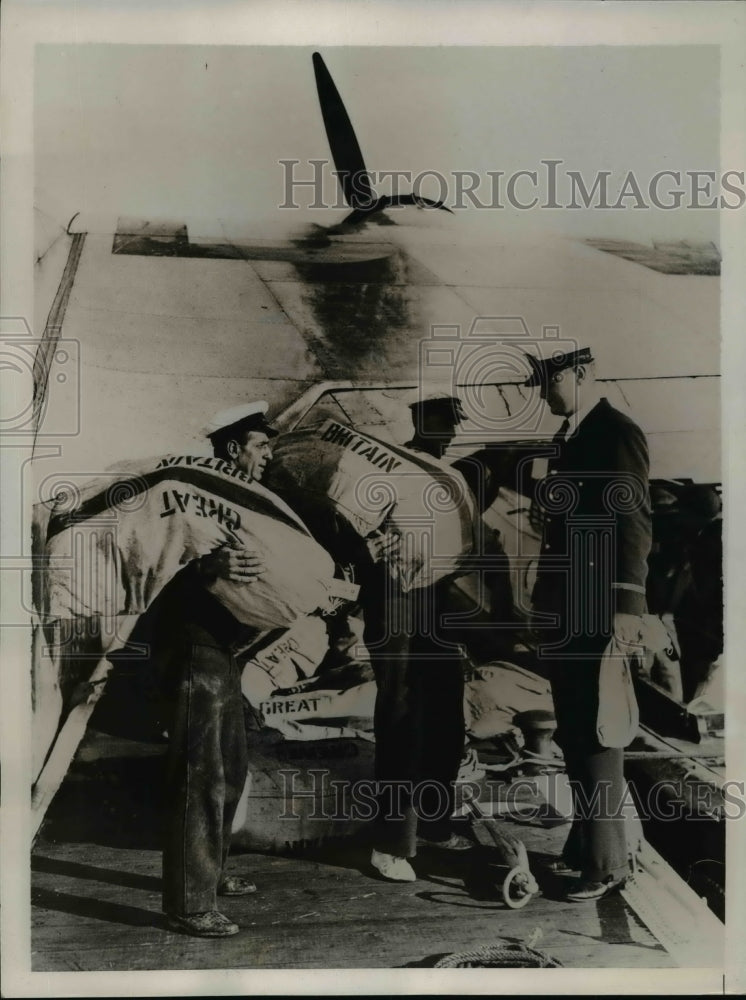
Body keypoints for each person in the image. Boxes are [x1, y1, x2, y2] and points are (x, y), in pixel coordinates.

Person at [142, 401, 278, 937]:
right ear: (232, 449)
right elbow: (155, 568)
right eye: (260, 445)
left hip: (225, 646)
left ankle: (212, 872)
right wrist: (204, 567)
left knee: (232, 766)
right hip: (192, 643)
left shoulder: (243, 504)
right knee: (201, 771)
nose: (269, 455)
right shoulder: (192, 501)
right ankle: (188, 902)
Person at [525, 347, 652, 902]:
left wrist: (627, 609)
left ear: (580, 373)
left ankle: (606, 865)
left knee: (598, 733)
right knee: (576, 731)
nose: (542, 392)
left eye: (548, 380)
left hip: (599, 610)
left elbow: (632, 521)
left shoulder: (614, 432)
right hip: (569, 610)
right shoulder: (572, 437)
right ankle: (585, 849)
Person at [364, 393, 474, 883]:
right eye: (439, 424)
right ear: (417, 422)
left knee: (447, 721)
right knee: (402, 723)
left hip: (437, 614)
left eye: (452, 426)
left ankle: (434, 822)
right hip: (396, 612)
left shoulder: (449, 479)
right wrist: (371, 548)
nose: (448, 435)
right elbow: (351, 533)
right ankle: (390, 845)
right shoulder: (387, 472)